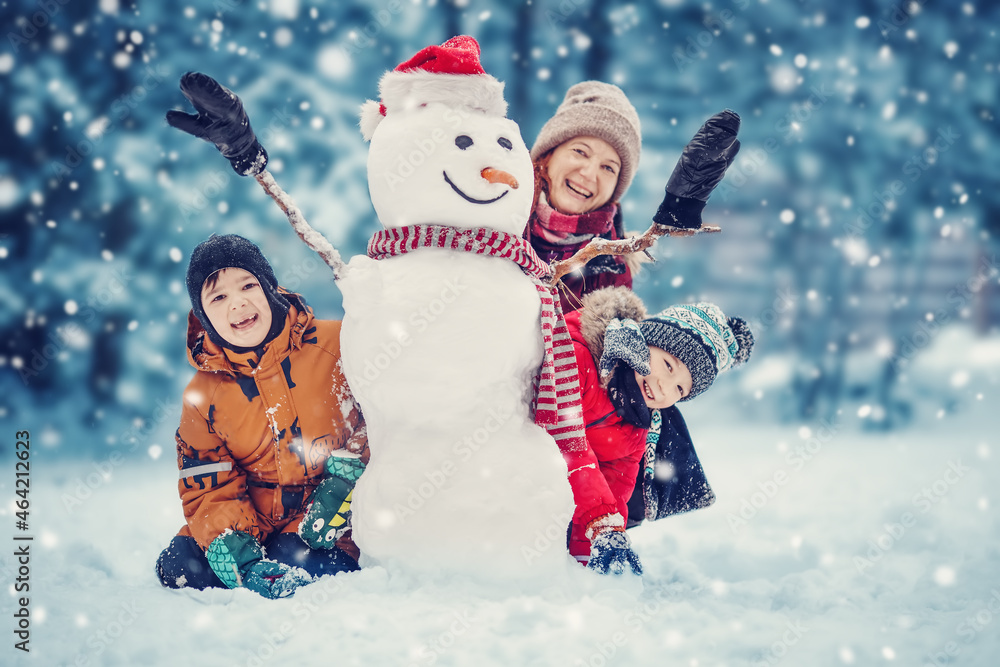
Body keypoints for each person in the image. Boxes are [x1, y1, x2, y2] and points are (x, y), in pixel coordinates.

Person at [155, 234, 368, 599]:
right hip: (254, 518)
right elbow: (209, 484)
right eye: (218, 297)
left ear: (269, 289)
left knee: (296, 553)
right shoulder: (202, 394)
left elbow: (383, 415)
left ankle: (306, 566)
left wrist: (346, 482)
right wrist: (238, 550)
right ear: (204, 316)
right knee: (177, 563)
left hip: (325, 515)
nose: (237, 303)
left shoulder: (337, 345)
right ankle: (256, 566)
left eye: (248, 285)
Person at [562, 286, 753, 573]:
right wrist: (602, 523)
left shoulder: (638, 426)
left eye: (680, 388)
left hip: (564, 497)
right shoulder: (579, 357)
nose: (665, 386)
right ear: (644, 340)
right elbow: (566, 439)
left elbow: (615, 490)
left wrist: (590, 556)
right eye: (667, 365)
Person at [527, 81, 741, 312]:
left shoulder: (611, 270)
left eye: (608, 167)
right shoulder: (493, 205)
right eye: (580, 152)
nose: (589, 175)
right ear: (549, 154)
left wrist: (680, 207)